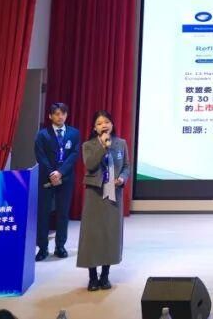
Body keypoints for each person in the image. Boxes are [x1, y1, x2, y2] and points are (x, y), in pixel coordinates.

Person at [77, 110, 130, 291]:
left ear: (112, 125)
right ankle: (92, 277)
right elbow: (90, 164)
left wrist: (122, 178)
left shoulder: (121, 143)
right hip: (95, 194)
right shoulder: (88, 145)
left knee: (110, 234)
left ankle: (105, 276)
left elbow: (127, 166)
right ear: (94, 128)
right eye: (99, 123)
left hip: (114, 194)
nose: (104, 125)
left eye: (106, 122)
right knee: (92, 235)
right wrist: (102, 146)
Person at [33, 102, 80, 260]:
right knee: (43, 213)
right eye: (57, 114)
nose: (61, 117)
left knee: (63, 213)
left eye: (63, 113)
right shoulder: (42, 134)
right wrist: (52, 173)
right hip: (46, 178)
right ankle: (42, 248)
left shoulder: (74, 133)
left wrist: (60, 172)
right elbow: (40, 155)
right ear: (50, 116)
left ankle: (60, 246)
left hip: (65, 178)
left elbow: (74, 154)